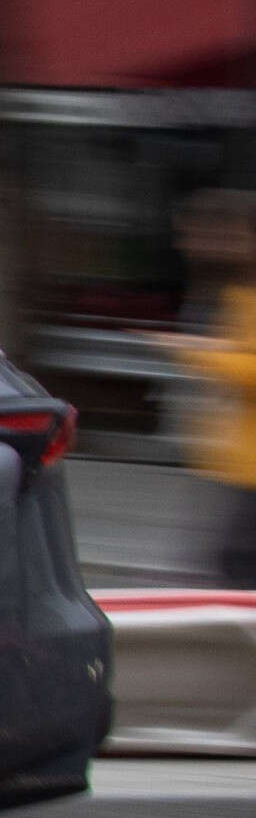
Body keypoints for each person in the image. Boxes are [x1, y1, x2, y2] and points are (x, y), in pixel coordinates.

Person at [168, 191, 256, 586]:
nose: (187, 245)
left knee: (236, 568)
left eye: (201, 235)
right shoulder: (232, 293)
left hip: (248, 468)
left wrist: (199, 353)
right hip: (236, 464)